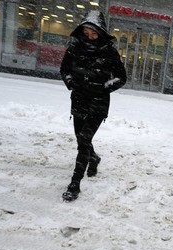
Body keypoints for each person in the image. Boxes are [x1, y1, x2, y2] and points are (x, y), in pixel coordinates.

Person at [60, 10, 127, 201]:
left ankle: (75, 183)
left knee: (83, 139)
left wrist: (104, 88)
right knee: (82, 139)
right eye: (86, 33)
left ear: (101, 33)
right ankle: (94, 158)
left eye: (93, 34)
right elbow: (64, 70)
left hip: (98, 103)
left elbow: (121, 77)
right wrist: (71, 83)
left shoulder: (109, 52)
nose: (89, 37)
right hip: (79, 100)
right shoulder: (74, 48)